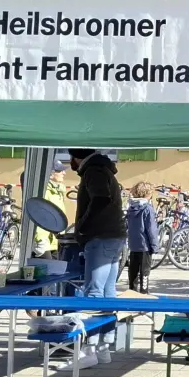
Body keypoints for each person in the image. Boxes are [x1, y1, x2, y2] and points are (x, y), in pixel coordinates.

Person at [70, 148, 126, 365]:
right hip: (113, 236)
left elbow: (100, 199)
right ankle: (104, 347)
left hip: (100, 236)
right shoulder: (104, 169)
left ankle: (89, 350)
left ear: (76, 157)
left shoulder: (93, 171)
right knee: (108, 293)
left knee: (93, 293)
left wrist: (83, 225)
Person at [125, 182, 158, 293]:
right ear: (148, 194)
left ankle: (132, 291)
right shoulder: (148, 209)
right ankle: (144, 292)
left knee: (133, 270)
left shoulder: (131, 207)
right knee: (145, 272)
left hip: (133, 245)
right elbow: (151, 229)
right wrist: (154, 246)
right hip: (145, 246)